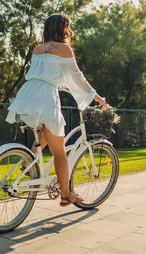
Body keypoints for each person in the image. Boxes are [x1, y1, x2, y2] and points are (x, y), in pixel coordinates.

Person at [6, 13, 107, 207]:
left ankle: (29, 161)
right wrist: (97, 97)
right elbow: (77, 77)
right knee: (59, 152)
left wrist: (62, 85)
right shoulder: (64, 48)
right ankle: (66, 195)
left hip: (26, 94)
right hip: (45, 96)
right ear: (64, 28)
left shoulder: (38, 48)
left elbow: (46, 74)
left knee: (46, 131)